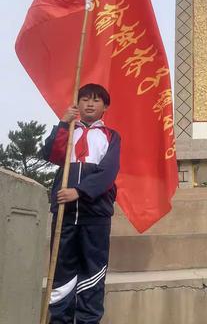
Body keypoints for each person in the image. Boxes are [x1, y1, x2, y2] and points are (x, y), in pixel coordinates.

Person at [42, 83, 121, 324]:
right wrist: (63, 124)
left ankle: (88, 320)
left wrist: (80, 191)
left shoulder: (111, 136)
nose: (89, 103)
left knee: (93, 273)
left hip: (95, 216)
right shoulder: (70, 130)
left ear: (105, 106)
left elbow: (108, 172)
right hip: (64, 214)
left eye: (96, 100)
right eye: (84, 99)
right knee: (61, 274)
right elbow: (51, 155)